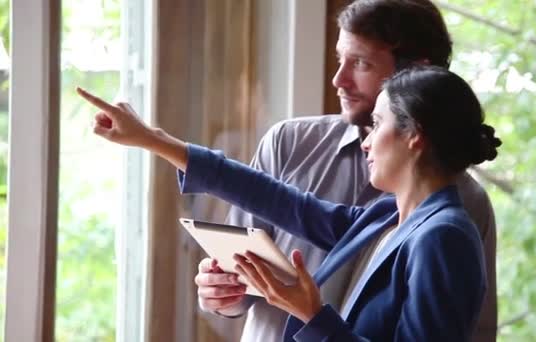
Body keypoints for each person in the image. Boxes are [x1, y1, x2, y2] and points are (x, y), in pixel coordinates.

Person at [76, 64, 501, 341]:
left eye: (376, 125)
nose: (366, 141)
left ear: (415, 135)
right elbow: (278, 199)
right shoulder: (386, 216)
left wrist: (313, 314)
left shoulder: (445, 236)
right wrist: (153, 140)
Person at [197, 1, 497, 341]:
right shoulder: (290, 145)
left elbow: (471, 331)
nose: (338, 79)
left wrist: (314, 316)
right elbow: (275, 214)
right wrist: (222, 292)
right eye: (341, 58)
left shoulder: (460, 214)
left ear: (413, 74)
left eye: (361, 63)